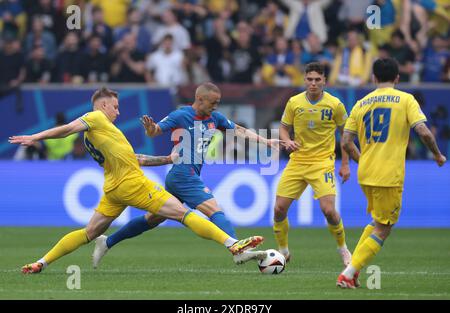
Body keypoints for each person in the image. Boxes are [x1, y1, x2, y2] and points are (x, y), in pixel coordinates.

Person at [9, 87, 266, 274]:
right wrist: (36, 137)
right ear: (102, 106)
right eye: (115, 106)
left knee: (89, 232)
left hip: (113, 189)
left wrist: (166, 159)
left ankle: (42, 262)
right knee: (181, 213)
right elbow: (66, 129)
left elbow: (137, 158)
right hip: (133, 184)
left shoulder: (101, 134)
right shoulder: (96, 118)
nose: (118, 112)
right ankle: (232, 244)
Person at [92, 82, 283, 268]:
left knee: (152, 219)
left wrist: (265, 141)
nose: (216, 106)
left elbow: (239, 131)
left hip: (184, 176)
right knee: (214, 209)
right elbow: (155, 131)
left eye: (217, 103)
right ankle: (237, 249)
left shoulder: (215, 118)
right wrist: (150, 129)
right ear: (199, 99)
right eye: (213, 102)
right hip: (183, 174)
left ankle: (107, 242)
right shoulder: (181, 115)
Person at [337, 58, 446, 289]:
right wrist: (437, 154)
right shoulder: (406, 100)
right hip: (389, 175)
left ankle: (352, 270)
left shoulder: (361, 103)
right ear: (397, 78)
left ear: (374, 78)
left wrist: (363, 159)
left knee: (377, 221)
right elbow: (424, 133)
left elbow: (346, 141)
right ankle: (348, 273)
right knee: (384, 228)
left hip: (365, 173)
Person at [273, 62, 352, 267]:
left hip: (322, 163)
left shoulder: (335, 104)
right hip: (297, 161)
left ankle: (343, 248)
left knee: (328, 211)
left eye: (318, 79)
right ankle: (283, 252)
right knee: (279, 209)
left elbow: (346, 135)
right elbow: (283, 128)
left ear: (325, 80)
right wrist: (287, 140)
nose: (314, 83)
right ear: (304, 80)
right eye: (310, 79)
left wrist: (345, 164)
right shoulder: (294, 102)